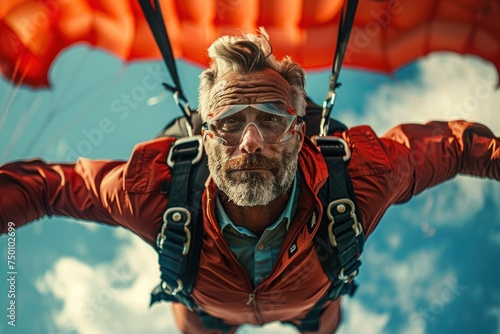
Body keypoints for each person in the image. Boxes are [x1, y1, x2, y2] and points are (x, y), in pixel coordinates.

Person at [0, 30, 499, 334]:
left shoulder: (361, 176)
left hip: (312, 308)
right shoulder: (151, 187)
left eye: (272, 119)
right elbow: (45, 187)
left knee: (322, 322)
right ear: (205, 133)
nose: (252, 141)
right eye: (231, 121)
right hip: (206, 314)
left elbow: (455, 147)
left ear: (300, 131)